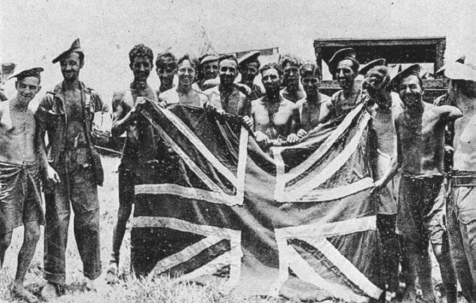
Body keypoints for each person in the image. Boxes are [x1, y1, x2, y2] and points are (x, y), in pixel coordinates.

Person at [374, 64, 460, 303]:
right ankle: (429, 297)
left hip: (435, 189)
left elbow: (462, 110)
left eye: (413, 86)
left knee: (441, 249)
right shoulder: (400, 119)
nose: (408, 91)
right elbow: (399, 159)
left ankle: (452, 299)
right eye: (403, 88)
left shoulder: (440, 113)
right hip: (409, 190)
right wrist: (381, 182)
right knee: (416, 248)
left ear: (423, 88)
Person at [36, 39, 107, 299]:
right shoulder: (49, 99)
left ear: (81, 64)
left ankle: (92, 277)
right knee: (57, 222)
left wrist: (103, 132)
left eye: (72, 63)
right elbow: (38, 138)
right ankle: (54, 281)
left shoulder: (94, 97)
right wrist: (46, 168)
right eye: (64, 64)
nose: (68, 68)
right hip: (57, 169)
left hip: (85, 168)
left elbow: (104, 129)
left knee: (89, 222)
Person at [0, 68, 58, 303]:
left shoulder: (34, 117)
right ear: (16, 86)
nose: (27, 91)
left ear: (38, 90)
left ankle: (18, 284)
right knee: (3, 238)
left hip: (31, 178)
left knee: (33, 233)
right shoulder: (2, 110)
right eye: (23, 85)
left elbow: (39, 147)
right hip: (7, 178)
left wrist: (47, 169)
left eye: (32, 87)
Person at [109, 44, 160, 281]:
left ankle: (139, 263)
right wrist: (132, 114)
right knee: (123, 212)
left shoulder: (156, 94)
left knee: (145, 213)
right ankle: (113, 259)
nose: (141, 69)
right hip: (129, 161)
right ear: (131, 66)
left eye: (145, 65)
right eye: (137, 65)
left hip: (149, 163)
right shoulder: (122, 95)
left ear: (151, 67)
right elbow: (113, 132)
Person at [360, 59, 402, 298]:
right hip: (377, 170)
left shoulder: (398, 104)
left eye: (379, 91)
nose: (377, 98)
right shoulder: (370, 107)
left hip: (395, 172)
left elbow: (400, 148)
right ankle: (385, 286)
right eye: (371, 92)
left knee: (400, 232)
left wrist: (385, 179)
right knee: (384, 233)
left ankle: (401, 286)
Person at [442, 58, 476, 303]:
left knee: (474, 251)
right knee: (459, 256)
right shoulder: (456, 119)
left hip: (473, 189)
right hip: (453, 190)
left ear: (456, 85)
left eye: (449, 85)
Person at [250, 63, 300, 149]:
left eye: (273, 77)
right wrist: (256, 134)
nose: (269, 81)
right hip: (261, 155)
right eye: (265, 78)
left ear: (281, 79)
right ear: (262, 81)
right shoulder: (253, 106)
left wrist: (293, 136)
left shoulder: (291, 107)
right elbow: (248, 136)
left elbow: (294, 133)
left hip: (282, 155)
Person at [324, 48, 363, 121]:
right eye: (338, 71)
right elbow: (324, 121)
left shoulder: (363, 96)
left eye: (346, 71)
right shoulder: (335, 99)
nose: (341, 75)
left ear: (355, 73)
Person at [295, 62, 331, 138]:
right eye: (306, 81)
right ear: (301, 81)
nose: (310, 85)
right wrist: (298, 132)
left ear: (319, 81)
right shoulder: (299, 105)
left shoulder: (328, 104)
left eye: (313, 81)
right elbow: (294, 129)